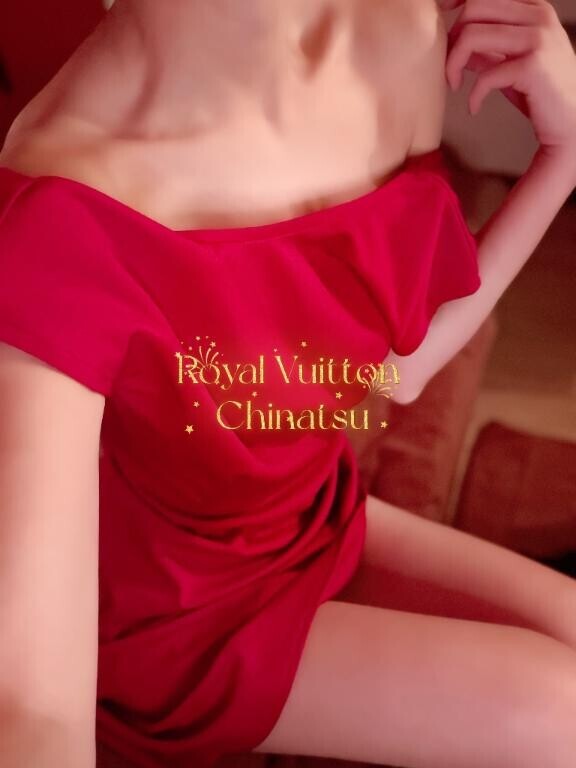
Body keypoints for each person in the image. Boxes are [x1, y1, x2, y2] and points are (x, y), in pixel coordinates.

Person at [0, 1, 575, 766]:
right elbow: (33, 707)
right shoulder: (60, 210)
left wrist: (563, 156)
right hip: (173, 623)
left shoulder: (398, 32)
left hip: (308, 518)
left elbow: (397, 371)